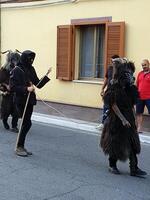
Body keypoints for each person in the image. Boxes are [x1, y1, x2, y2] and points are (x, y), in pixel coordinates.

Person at [100, 60, 147, 177]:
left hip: (129, 118)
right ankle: (112, 165)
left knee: (132, 142)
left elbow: (132, 105)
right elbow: (113, 105)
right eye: (128, 75)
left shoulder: (130, 89)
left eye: (131, 74)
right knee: (115, 142)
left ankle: (134, 168)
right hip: (116, 120)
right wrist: (123, 119)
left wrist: (134, 119)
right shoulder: (114, 88)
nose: (131, 78)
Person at [10, 50, 51, 157]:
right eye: (29, 58)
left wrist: (46, 76)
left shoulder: (31, 69)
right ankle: (19, 147)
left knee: (26, 123)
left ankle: (21, 146)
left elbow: (38, 84)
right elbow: (13, 87)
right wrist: (26, 88)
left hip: (30, 100)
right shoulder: (16, 70)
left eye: (32, 59)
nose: (31, 60)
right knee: (26, 123)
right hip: (20, 101)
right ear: (24, 58)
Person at [97, 55, 120, 130]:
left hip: (117, 92)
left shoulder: (121, 69)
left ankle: (116, 125)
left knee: (117, 108)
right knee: (106, 107)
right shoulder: (110, 68)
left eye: (114, 61)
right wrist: (102, 89)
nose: (112, 63)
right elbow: (106, 79)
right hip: (109, 91)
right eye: (111, 61)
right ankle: (103, 123)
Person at [0, 51, 20, 132]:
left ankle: (14, 126)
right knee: (6, 110)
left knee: (16, 111)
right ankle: (5, 121)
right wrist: (5, 85)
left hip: (16, 93)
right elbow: (0, 81)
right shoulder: (4, 70)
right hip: (7, 94)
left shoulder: (18, 69)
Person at [136, 59, 150, 133]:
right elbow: (137, 85)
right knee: (139, 113)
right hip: (140, 97)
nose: (144, 66)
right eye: (142, 65)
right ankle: (139, 128)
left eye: (145, 65)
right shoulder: (140, 73)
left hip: (149, 97)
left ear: (148, 64)